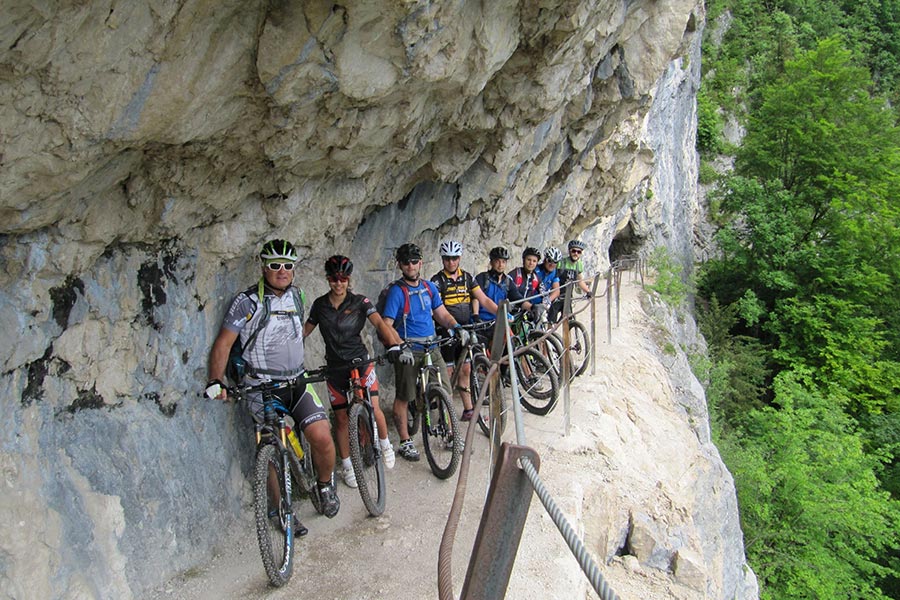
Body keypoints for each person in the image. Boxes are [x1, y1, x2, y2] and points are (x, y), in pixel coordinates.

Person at [206, 239, 340, 518]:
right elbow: (223, 343)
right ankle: (282, 511)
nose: (282, 270)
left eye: (288, 265)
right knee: (269, 446)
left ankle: (325, 486)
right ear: (263, 267)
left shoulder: (298, 297)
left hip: (297, 382)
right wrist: (215, 380)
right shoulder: (246, 302)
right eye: (275, 265)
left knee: (323, 438)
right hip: (261, 388)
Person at [303, 255, 403, 489]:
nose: (339, 283)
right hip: (335, 366)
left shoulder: (360, 301)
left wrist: (394, 345)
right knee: (340, 418)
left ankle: (385, 443)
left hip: (360, 362)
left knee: (374, 406)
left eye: (343, 279)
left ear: (349, 279)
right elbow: (304, 332)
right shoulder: (320, 305)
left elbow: (379, 323)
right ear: (328, 279)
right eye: (334, 279)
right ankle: (347, 465)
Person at [380, 243, 470, 461]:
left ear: (420, 262)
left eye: (414, 261)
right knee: (404, 396)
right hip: (409, 349)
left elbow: (441, 313)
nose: (410, 266)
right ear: (400, 265)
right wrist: (399, 345)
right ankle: (405, 441)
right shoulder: (396, 292)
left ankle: (450, 434)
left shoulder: (429, 287)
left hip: (432, 346)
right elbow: (386, 323)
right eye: (406, 262)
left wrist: (456, 327)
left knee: (445, 392)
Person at [430, 240, 499, 421]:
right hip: (446, 331)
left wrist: (501, 312)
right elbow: (436, 309)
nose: (451, 263)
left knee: (466, 370)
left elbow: (483, 299)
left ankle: (469, 410)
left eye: (454, 259)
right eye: (447, 259)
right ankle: (445, 415)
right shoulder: (437, 281)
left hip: (465, 329)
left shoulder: (467, 278)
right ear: (443, 259)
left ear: (459, 258)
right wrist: (450, 326)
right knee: (448, 373)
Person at [474, 246, 526, 324]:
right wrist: (476, 315)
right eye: (497, 261)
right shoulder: (482, 278)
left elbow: (519, 299)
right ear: (491, 262)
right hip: (481, 322)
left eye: (503, 262)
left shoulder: (508, 282)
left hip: (499, 321)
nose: (500, 265)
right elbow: (476, 298)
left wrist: (532, 307)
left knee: (512, 335)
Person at [549, 239, 592, 323]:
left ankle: (567, 336)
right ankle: (549, 334)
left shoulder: (578, 265)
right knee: (551, 320)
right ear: (569, 251)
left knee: (568, 319)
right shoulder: (561, 262)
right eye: (574, 251)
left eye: (579, 252)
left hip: (568, 296)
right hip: (556, 295)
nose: (576, 253)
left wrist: (588, 291)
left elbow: (580, 281)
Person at [509, 246, 545, 321]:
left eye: (534, 261)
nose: (531, 263)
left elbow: (544, 294)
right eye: (529, 260)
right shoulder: (515, 274)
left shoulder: (536, 278)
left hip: (526, 311)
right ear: (523, 260)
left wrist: (545, 306)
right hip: (511, 312)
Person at [535, 247, 562, 320]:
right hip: (533, 301)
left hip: (545, 301)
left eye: (555, 262)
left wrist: (548, 300)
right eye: (550, 261)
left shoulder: (554, 272)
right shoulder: (536, 270)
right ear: (545, 259)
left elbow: (557, 290)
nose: (552, 264)